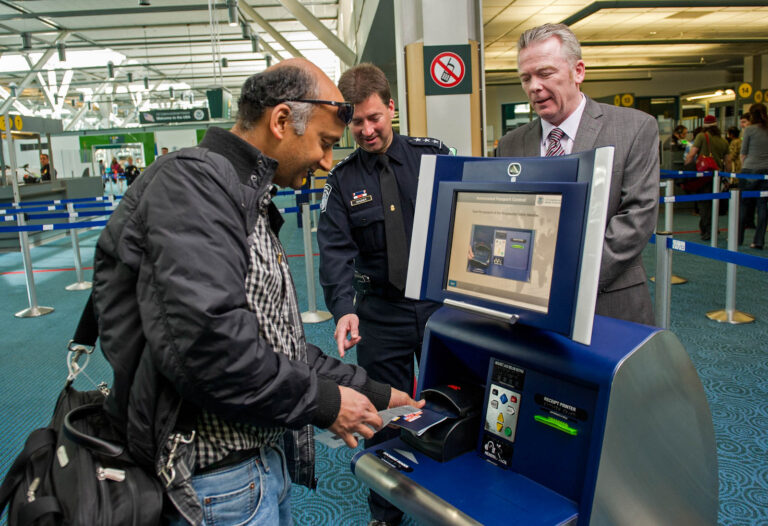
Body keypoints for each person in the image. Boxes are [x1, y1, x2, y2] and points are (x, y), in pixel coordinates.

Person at [91, 58, 423, 526]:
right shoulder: (192, 187)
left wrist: (375, 391)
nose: (329, 160)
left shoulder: (239, 197)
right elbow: (212, 347)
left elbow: (277, 343)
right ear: (282, 120)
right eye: (325, 143)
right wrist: (327, 405)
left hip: (258, 466)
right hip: (213, 482)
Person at [317, 63, 450, 526]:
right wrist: (342, 310)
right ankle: (386, 512)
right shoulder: (342, 181)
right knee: (384, 414)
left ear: (392, 107)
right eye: (356, 122)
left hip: (441, 309)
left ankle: (455, 496)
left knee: (453, 402)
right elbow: (334, 253)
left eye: (374, 117)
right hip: (381, 314)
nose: (367, 130)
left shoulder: (433, 157)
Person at [496, 23, 658, 325]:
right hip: (530, 305)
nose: (534, 86)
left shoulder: (634, 128)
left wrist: (570, 282)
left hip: (609, 299)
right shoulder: (511, 144)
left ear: (578, 71)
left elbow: (637, 218)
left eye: (545, 74)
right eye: (526, 78)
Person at [684, 115, 728, 241]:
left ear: (705, 125)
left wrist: (686, 170)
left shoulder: (702, 136)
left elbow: (691, 154)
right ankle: (714, 227)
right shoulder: (723, 140)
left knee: (704, 203)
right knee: (715, 202)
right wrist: (727, 177)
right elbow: (728, 161)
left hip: (704, 175)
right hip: (717, 174)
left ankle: (706, 229)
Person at [739, 102, 768, 249]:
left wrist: (743, 166)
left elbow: (743, 153)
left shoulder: (749, 130)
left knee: (743, 205)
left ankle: (737, 238)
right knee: (762, 207)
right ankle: (759, 241)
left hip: (749, 170)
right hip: (766, 172)